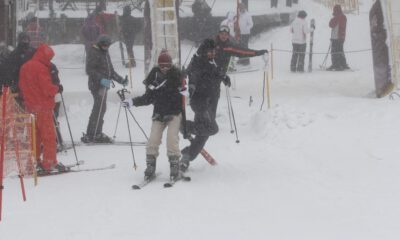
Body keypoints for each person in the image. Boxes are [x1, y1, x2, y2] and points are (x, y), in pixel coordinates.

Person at [123, 50, 184, 180]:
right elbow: (148, 98)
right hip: (159, 113)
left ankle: (175, 166)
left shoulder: (176, 76)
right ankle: (150, 166)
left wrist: (186, 91)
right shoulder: (153, 77)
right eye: (162, 66)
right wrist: (132, 102)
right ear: (158, 65)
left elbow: (184, 93)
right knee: (153, 139)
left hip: (174, 113)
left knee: (172, 140)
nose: (165, 68)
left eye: (168, 65)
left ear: (171, 65)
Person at [180, 39, 231, 172]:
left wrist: (223, 77)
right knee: (212, 128)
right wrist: (191, 88)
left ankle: (187, 156)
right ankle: (182, 125)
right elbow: (194, 77)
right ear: (204, 51)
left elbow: (214, 72)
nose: (213, 53)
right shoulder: (198, 62)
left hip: (211, 102)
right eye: (210, 51)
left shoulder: (210, 61)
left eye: (214, 51)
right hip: (201, 102)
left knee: (203, 134)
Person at [18, 44, 67, 174]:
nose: (49, 60)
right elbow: (47, 89)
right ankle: (49, 163)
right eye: (49, 58)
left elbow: (21, 87)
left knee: (35, 136)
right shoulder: (41, 68)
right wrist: (57, 88)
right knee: (49, 136)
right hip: (43, 107)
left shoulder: (25, 66)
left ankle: (33, 162)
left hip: (30, 107)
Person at [81, 35, 128, 143]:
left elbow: (110, 71)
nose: (106, 47)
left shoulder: (105, 53)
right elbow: (89, 70)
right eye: (104, 45)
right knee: (99, 108)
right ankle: (93, 133)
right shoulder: (94, 52)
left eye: (108, 46)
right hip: (96, 85)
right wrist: (101, 79)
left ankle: (96, 132)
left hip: (104, 86)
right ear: (100, 44)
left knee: (101, 108)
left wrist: (121, 80)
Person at [327, 4, 350, 71]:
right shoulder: (343, 17)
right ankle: (342, 64)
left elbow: (331, 24)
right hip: (341, 37)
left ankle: (336, 65)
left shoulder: (337, 17)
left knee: (334, 51)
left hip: (336, 37)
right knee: (340, 51)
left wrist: (334, 16)